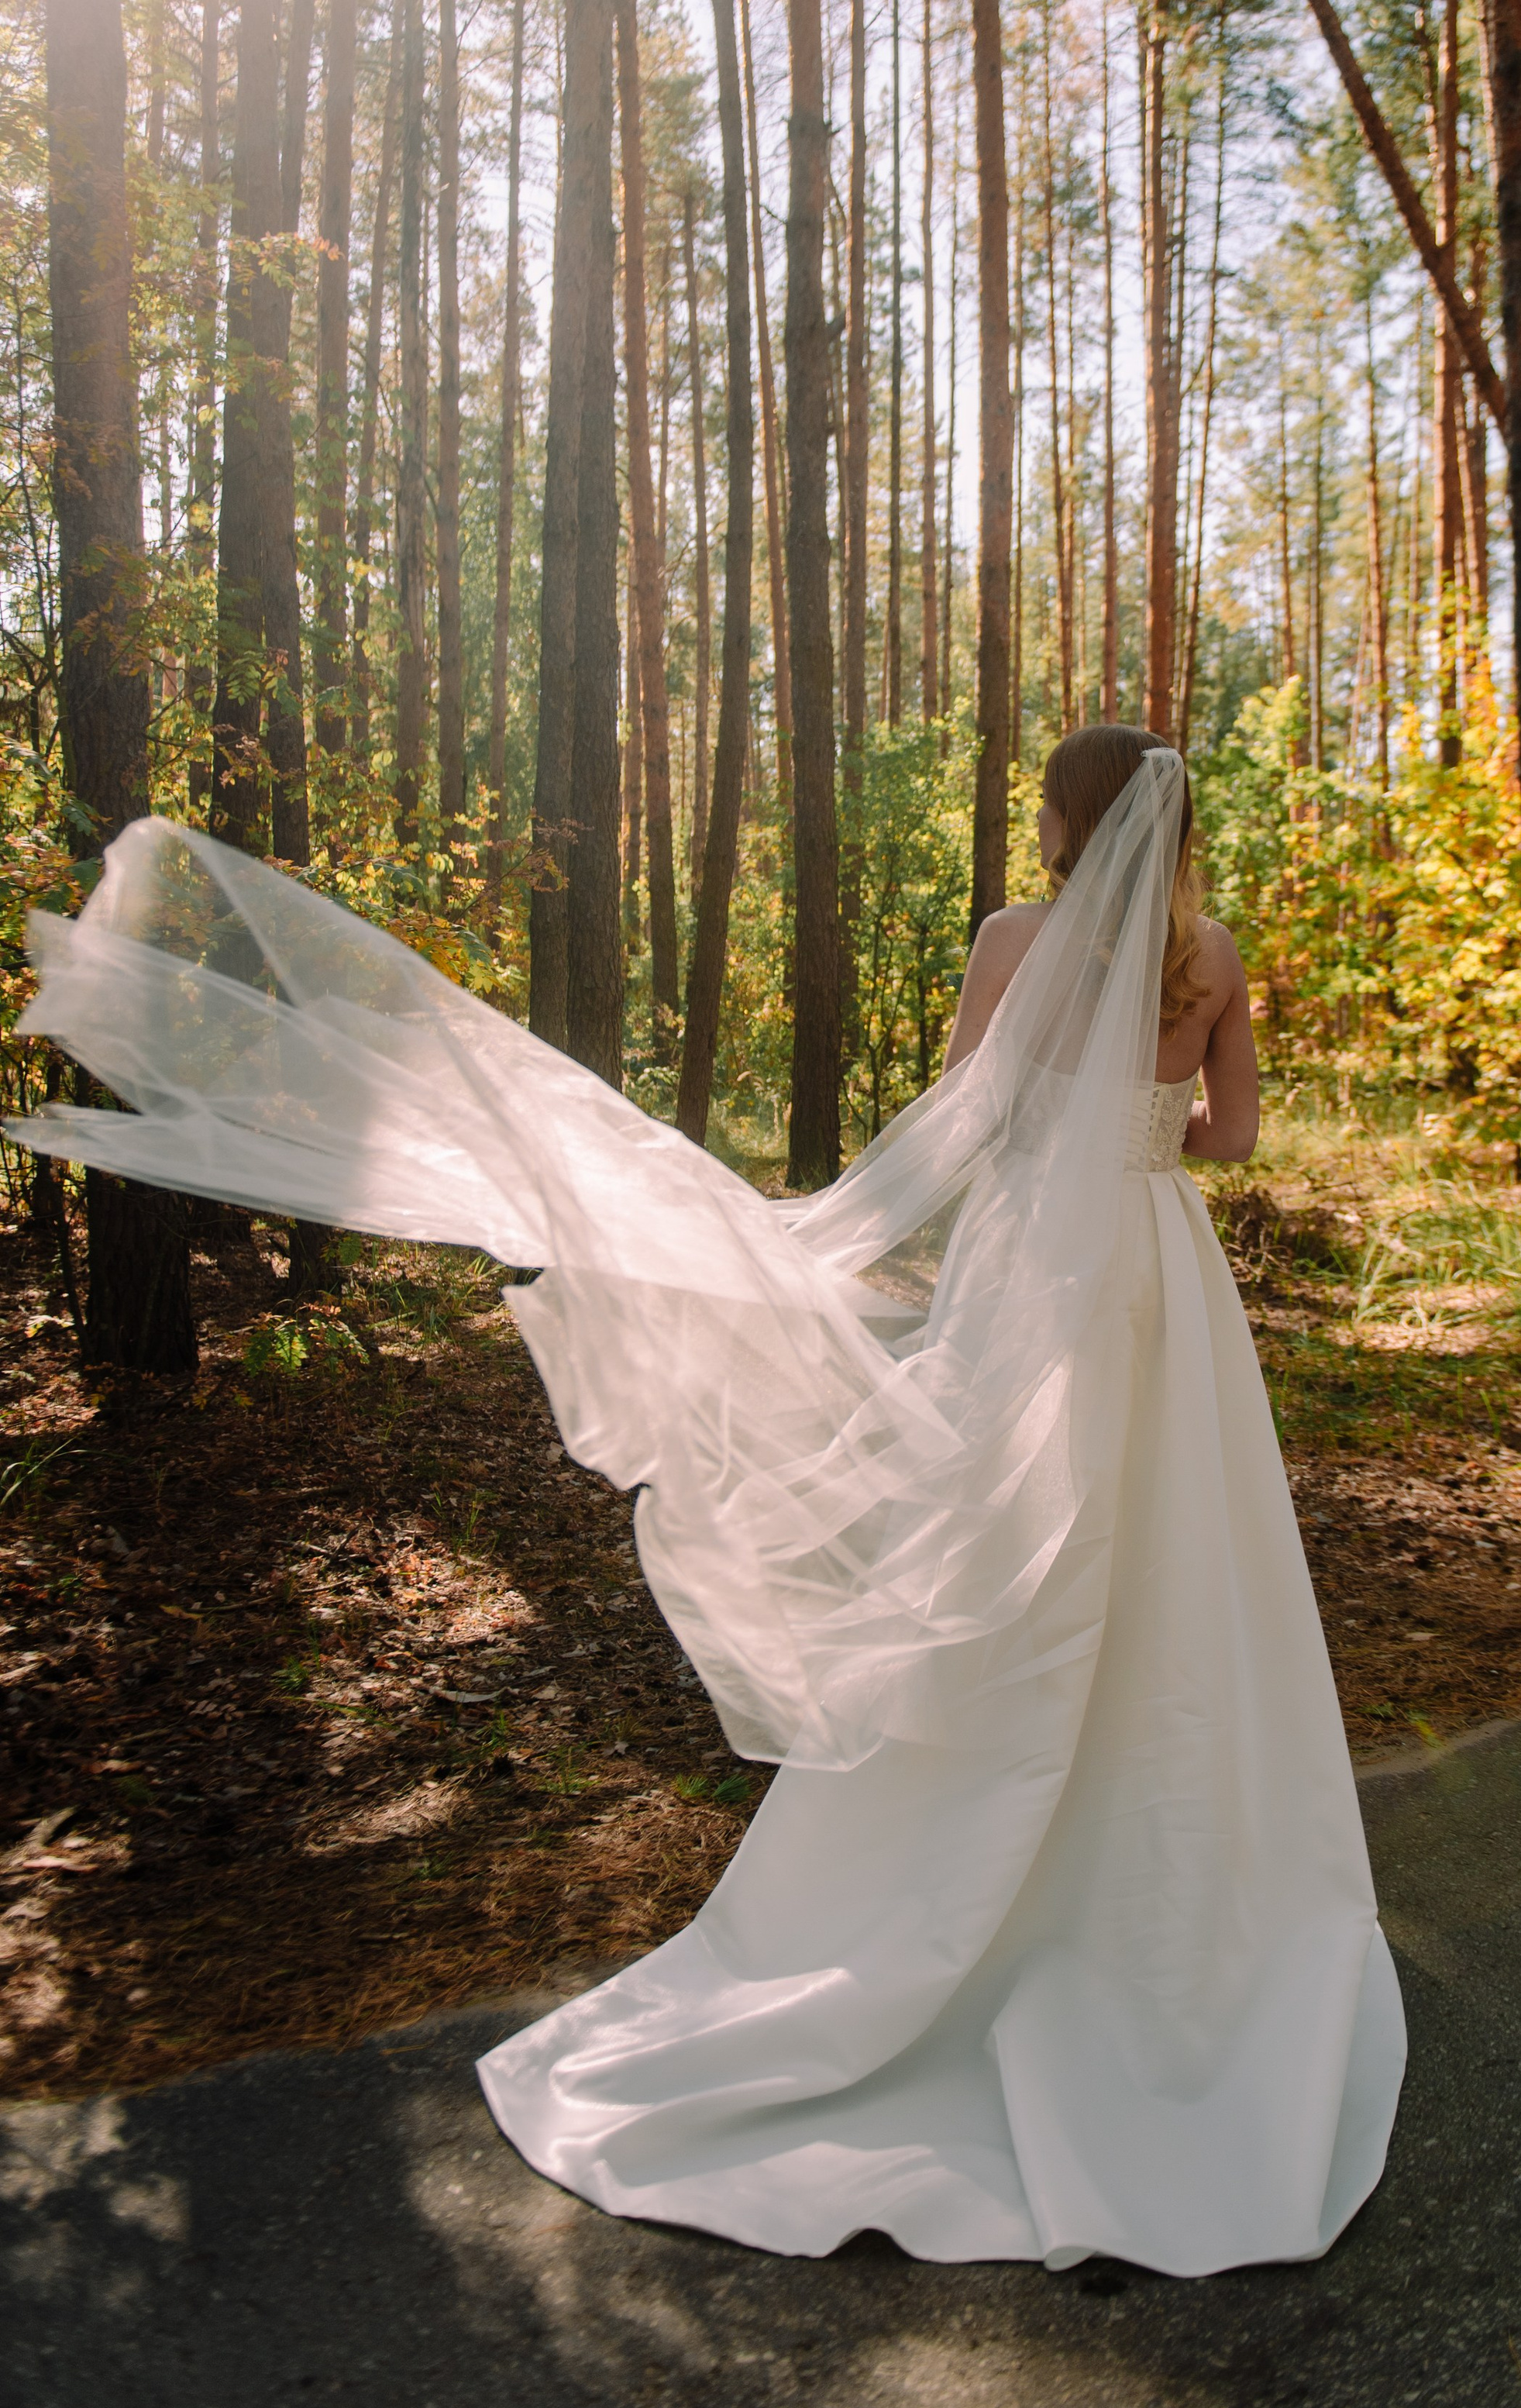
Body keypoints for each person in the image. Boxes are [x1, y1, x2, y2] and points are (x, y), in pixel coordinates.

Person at [10, 729, 1403, 2275]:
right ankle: (1167, 1870)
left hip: (1036, 1266)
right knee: (1170, 1549)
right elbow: (1235, 1136)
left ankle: (955, 1871)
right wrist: (1143, 1134)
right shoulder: (1205, 954)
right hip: (1157, 1267)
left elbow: (961, 1107)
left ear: (1070, 819)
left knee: (1010, 1544)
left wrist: (1015, 1154)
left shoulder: (1014, 941)